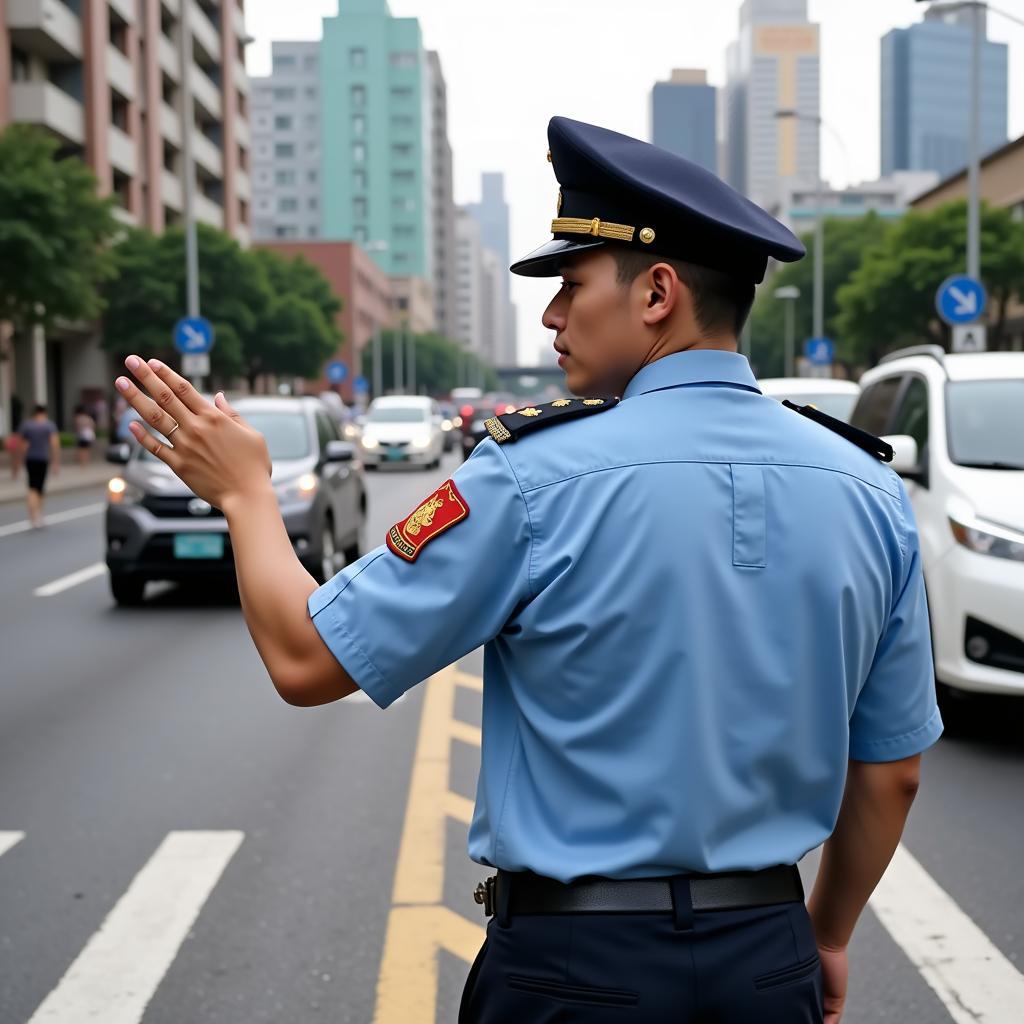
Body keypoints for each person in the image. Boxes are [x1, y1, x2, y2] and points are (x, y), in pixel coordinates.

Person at [112, 116, 942, 1024]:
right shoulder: (869, 488)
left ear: (658, 291)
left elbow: (308, 661)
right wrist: (823, 937)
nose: (550, 316)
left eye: (571, 284)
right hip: (767, 965)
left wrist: (246, 497)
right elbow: (890, 771)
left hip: (573, 973)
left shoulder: (532, 475)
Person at [18, 403, 60, 528]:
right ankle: (39, 515)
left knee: (32, 487)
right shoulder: (49, 425)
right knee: (40, 488)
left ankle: (32, 517)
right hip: (42, 459)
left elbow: (22, 445)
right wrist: (55, 462)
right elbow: (54, 444)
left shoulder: (27, 425)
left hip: (30, 459)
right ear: (45, 413)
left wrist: (20, 461)